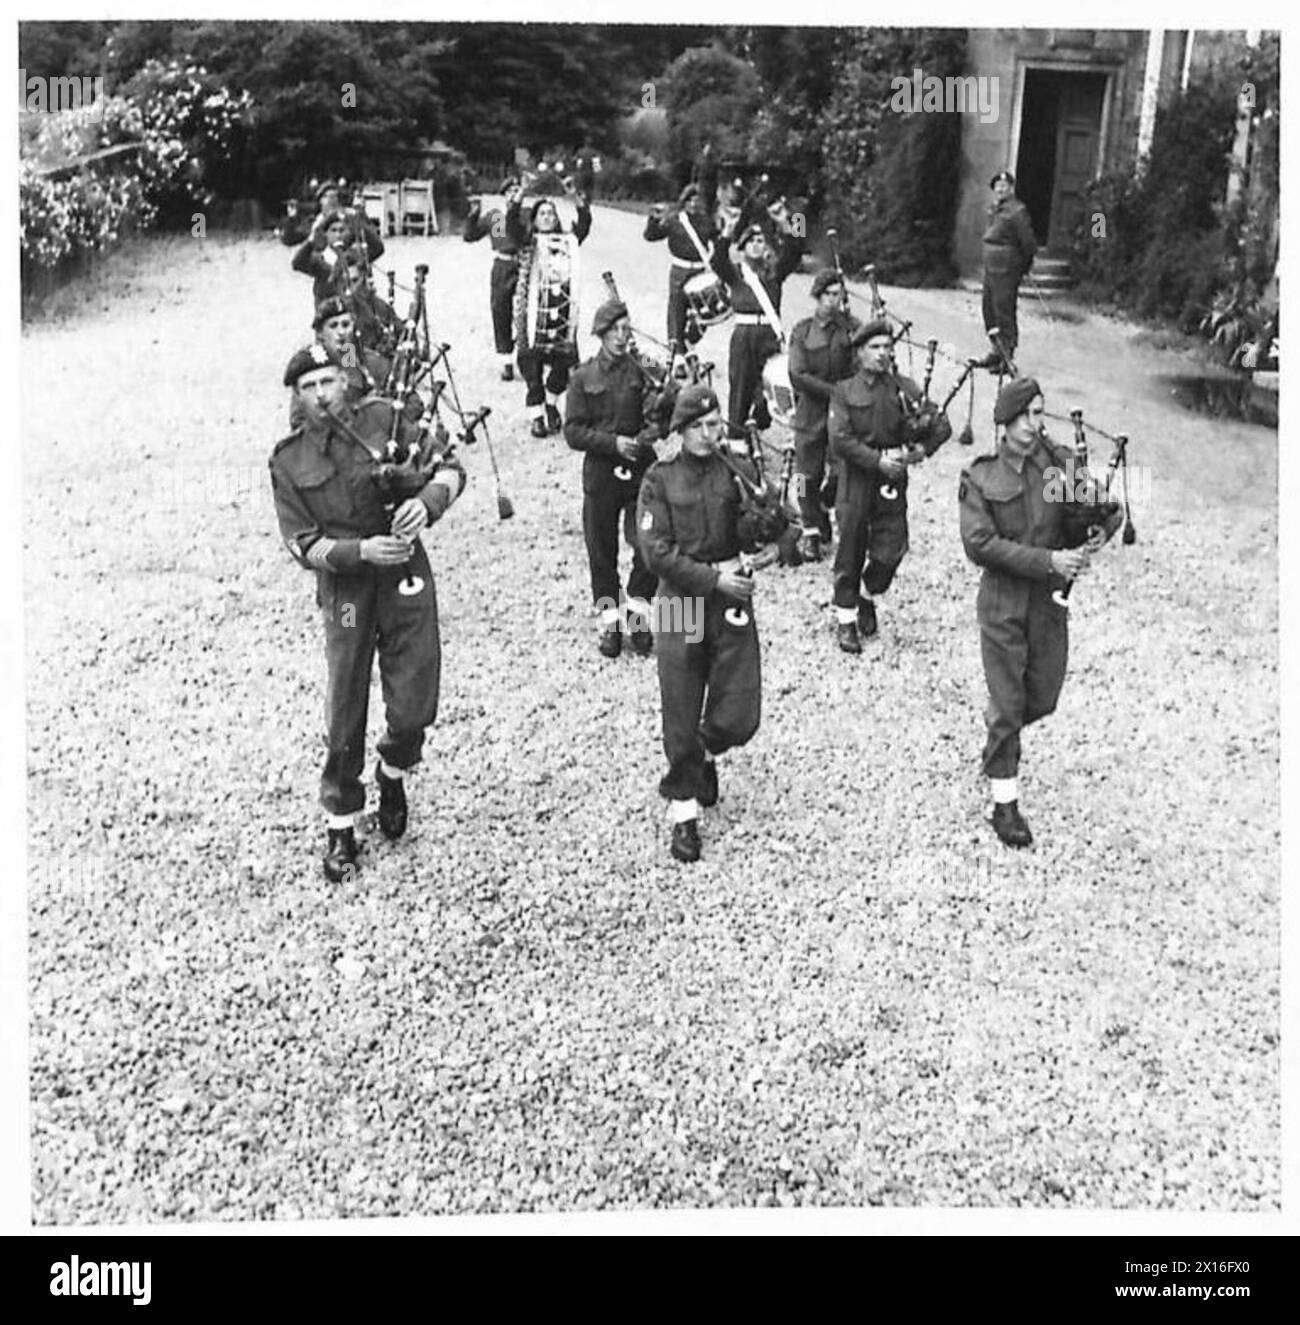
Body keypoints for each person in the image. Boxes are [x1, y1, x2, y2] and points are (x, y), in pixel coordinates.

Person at [268, 346, 466, 881]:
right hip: (349, 597)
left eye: (328, 380)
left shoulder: (387, 419)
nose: (321, 394)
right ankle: (341, 821)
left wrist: (426, 504)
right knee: (347, 699)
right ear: (297, 395)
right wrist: (359, 553)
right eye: (308, 387)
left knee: (416, 697)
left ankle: (394, 768)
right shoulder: (289, 460)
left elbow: (449, 466)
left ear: (345, 380)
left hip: (404, 577)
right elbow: (301, 543)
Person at [637, 384, 778, 864]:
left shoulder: (735, 471)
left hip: (730, 596)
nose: (705, 434)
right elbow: (656, 554)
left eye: (713, 425)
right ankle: (683, 812)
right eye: (695, 426)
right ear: (679, 430)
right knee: (680, 696)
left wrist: (774, 543)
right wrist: (714, 580)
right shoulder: (660, 479)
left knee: (741, 712)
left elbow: (774, 524)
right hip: (683, 599)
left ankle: (704, 752)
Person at [958, 377, 1091, 848]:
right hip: (1002, 603)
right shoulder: (981, 476)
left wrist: (1096, 522)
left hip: (1048, 603)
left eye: (1041, 413)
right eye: (1030, 414)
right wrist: (1047, 561)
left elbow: (1082, 512)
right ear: (1007, 421)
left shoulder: (1052, 467)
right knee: (1010, 703)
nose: (1038, 423)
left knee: (1043, 696)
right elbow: (980, 546)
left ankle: (1001, 734)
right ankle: (1004, 803)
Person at [827, 318, 951, 653]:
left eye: (887, 347)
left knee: (892, 548)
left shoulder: (904, 387)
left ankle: (867, 595)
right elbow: (840, 440)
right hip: (857, 477)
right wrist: (876, 460)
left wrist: (920, 451)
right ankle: (846, 618)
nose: (883, 354)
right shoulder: (844, 391)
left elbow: (942, 424)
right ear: (860, 353)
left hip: (892, 479)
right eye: (875, 347)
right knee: (850, 546)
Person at [563, 299, 661, 659]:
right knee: (601, 549)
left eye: (626, 329)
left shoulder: (643, 366)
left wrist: (649, 434)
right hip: (602, 472)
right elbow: (572, 432)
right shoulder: (583, 376)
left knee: (649, 541)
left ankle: (637, 609)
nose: (621, 337)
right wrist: (612, 443)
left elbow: (669, 400)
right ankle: (609, 618)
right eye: (614, 330)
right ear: (601, 334)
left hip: (640, 469)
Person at [507, 182, 593, 437]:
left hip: (561, 313)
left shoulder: (567, 240)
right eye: (542, 213)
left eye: (551, 213)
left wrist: (576, 198)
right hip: (530, 313)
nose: (547, 217)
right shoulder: (526, 241)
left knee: (564, 360)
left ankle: (551, 403)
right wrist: (519, 196)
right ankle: (536, 415)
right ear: (534, 219)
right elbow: (510, 223)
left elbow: (585, 225)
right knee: (531, 365)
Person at [787, 268, 861, 560]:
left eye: (838, 295)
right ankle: (811, 530)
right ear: (817, 297)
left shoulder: (851, 328)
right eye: (828, 294)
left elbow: (860, 366)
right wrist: (835, 392)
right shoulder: (803, 331)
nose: (834, 300)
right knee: (806, 475)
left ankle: (829, 512)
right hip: (810, 412)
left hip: (842, 414)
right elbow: (797, 374)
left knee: (842, 470)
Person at [709, 213, 804, 437]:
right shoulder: (737, 274)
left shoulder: (775, 272)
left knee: (769, 388)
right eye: (751, 241)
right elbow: (717, 261)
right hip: (743, 337)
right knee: (740, 389)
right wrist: (726, 233)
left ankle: (757, 420)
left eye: (760, 241)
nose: (756, 245)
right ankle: (736, 439)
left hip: (768, 337)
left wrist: (791, 222)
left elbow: (796, 250)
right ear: (743, 246)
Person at [643, 151, 719, 348]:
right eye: (690, 200)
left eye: (697, 200)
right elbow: (651, 236)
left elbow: (719, 243)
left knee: (704, 313)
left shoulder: (706, 222)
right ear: (684, 202)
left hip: (700, 270)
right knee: (677, 310)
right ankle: (676, 350)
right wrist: (653, 219)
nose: (694, 204)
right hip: (680, 271)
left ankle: (689, 342)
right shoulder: (675, 221)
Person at [463, 176, 524, 381]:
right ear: (504, 195)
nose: (513, 195)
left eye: (517, 191)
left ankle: (529, 358)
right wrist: (472, 216)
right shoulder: (495, 216)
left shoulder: (526, 214)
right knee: (501, 309)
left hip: (525, 263)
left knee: (529, 311)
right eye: (509, 192)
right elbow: (470, 236)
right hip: (503, 264)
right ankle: (505, 360)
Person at [981, 170, 1037, 364]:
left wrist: (1023, 266)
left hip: (1006, 269)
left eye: (1004, 186)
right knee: (989, 309)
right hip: (990, 267)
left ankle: (1007, 356)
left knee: (1004, 310)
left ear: (1011, 189)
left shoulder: (1017, 211)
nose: (1000, 189)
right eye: (997, 186)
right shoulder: (994, 209)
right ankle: (996, 350)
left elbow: (1028, 243)